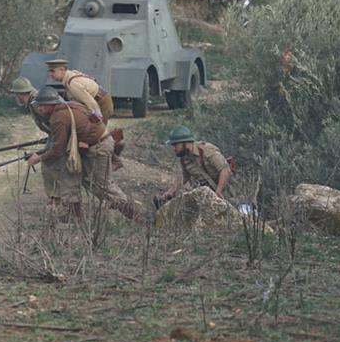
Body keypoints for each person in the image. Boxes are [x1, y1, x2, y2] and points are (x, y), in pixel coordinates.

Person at [24, 87, 142, 221]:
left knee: (102, 185)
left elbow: (58, 149)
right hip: (97, 144)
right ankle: (73, 215)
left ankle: (134, 215)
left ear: (50, 104)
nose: (39, 109)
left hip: (99, 147)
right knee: (76, 176)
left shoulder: (58, 117)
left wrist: (39, 158)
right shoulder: (69, 106)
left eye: (41, 106)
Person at [155, 126, 232, 205]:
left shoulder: (206, 150)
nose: (174, 148)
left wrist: (218, 192)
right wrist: (170, 192)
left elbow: (225, 170)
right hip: (208, 196)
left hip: (226, 193)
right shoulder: (184, 158)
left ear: (185, 143)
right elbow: (184, 177)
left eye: (176, 145)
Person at [45, 59, 113, 124]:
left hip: (102, 103)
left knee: (96, 132)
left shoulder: (73, 84)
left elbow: (91, 103)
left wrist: (98, 119)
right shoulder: (70, 76)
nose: (50, 74)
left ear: (62, 70)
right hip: (98, 99)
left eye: (53, 71)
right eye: (49, 71)